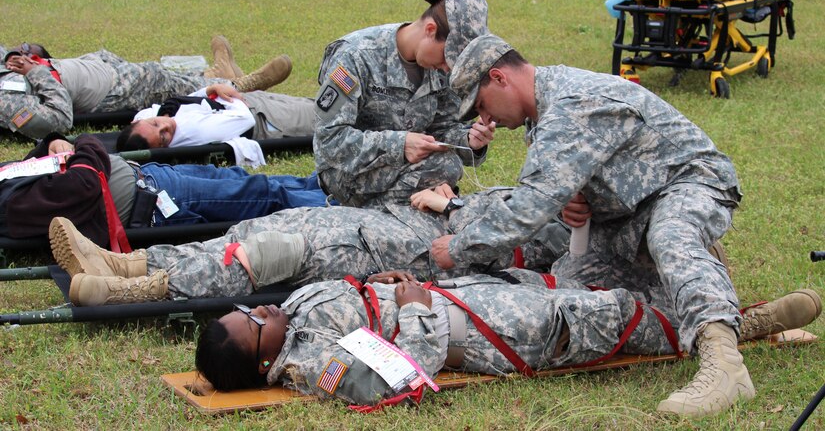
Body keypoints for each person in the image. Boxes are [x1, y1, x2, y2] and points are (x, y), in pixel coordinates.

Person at [432, 33, 759, 417]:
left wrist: (458, 248)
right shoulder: (543, 111)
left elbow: (529, 206)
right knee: (574, 285)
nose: (486, 120)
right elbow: (571, 185)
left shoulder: (571, 105)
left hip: (687, 184)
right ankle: (736, 319)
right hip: (628, 218)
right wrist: (576, 203)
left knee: (671, 234)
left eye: (482, 106)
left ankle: (725, 367)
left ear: (500, 77)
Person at [192, 271, 820, 408]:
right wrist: (410, 310)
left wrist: (375, 286)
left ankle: (721, 308)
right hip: (491, 332)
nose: (261, 309)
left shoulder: (291, 322)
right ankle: (740, 326)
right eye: (254, 322)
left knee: (593, 281)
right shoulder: (312, 365)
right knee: (617, 317)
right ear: (264, 358)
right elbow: (400, 375)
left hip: (471, 292)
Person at [46, 186, 573, 306]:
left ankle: (132, 290)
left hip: (386, 251)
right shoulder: (547, 193)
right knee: (248, 235)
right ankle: (124, 259)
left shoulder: (560, 235)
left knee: (265, 258)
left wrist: (449, 209)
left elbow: (495, 247)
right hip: (372, 221)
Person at [312, 0, 495, 209]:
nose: (448, 68)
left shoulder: (439, 66)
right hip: (347, 171)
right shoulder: (354, 56)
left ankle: (413, 211)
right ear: (430, 29)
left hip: (408, 168)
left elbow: (442, 127)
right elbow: (329, 140)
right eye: (448, 58)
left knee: (446, 168)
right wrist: (399, 145)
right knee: (443, 170)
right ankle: (373, 215)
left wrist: (468, 141)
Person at [2, 133, 329, 248]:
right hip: (155, 200)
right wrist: (84, 144)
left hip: (147, 178)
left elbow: (36, 167)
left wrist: (50, 143)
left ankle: (328, 186)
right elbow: (83, 185)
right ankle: (340, 207)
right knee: (260, 195)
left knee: (247, 181)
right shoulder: (9, 205)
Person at [0, 37, 291, 138]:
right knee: (155, 77)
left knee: (159, 74)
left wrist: (18, 52)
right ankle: (239, 84)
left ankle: (214, 73)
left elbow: (36, 50)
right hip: (105, 91)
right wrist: (37, 72)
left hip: (89, 66)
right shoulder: (6, 102)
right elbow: (57, 120)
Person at [115, 83, 315, 151]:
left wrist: (211, 89)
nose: (166, 126)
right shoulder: (197, 133)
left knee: (318, 103)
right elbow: (245, 120)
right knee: (328, 112)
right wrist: (226, 96)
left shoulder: (153, 118)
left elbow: (151, 113)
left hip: (255, 102)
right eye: (163, 136)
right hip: (268, 121)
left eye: (156, 123)